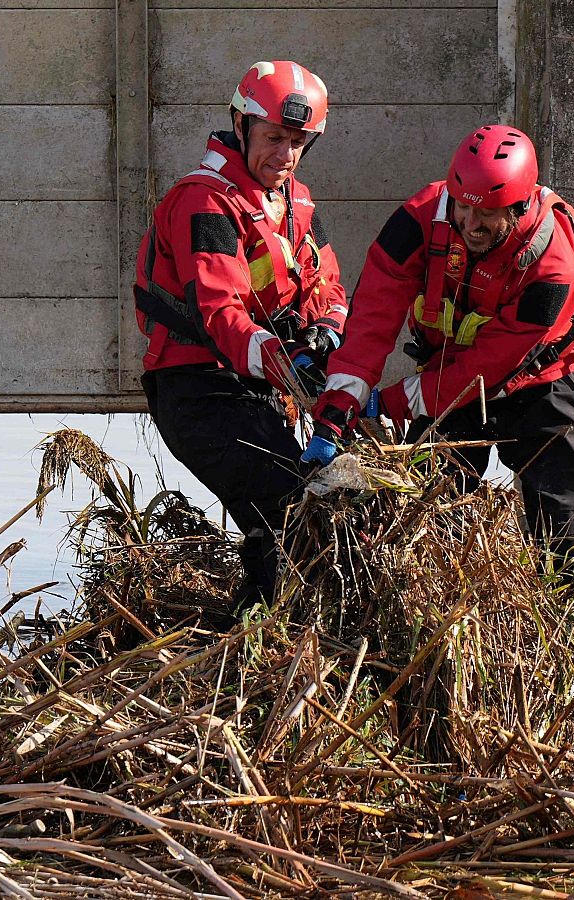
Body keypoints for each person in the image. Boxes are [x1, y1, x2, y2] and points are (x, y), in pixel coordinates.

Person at [303, 124, 574, 560]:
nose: (471, 225)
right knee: (429, 516)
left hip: (540, 386)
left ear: (521, 203)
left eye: (488, 214)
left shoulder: (554, 263)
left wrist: (392, 402)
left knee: (564, 526)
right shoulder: (421, 218)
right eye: (463, 208)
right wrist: (342, 398)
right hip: (443, 369)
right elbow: (374, 311)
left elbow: (490, 365)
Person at [135, 60, 348, 608]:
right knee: (283, 497)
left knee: (279, 514)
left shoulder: (295, 202)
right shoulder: (203, 201)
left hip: (257, 386)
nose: (285, 155)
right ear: (240, 125)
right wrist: (286, 362)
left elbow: (325, 282)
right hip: (198, 389)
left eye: (298, 142)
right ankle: (263, 628)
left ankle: (263, 629)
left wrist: (323, 331)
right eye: (274, 137)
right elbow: (219, 311)